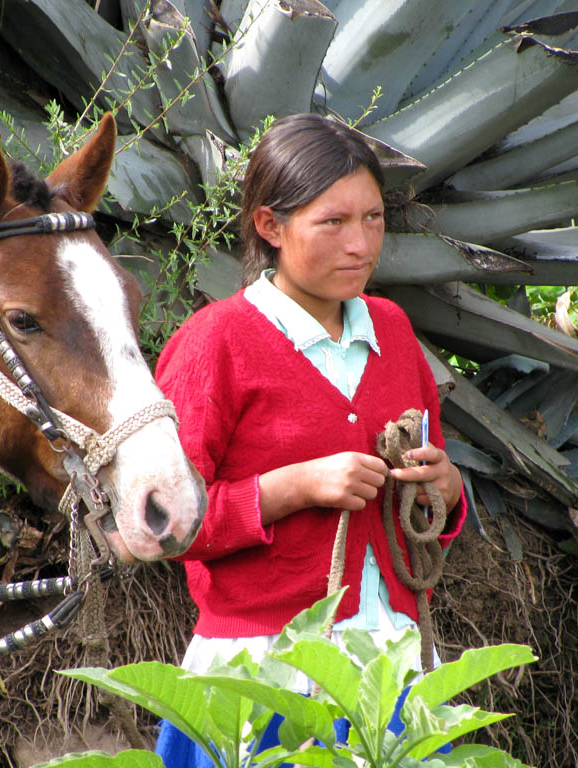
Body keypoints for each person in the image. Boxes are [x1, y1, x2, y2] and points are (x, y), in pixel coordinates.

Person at [153, 113, 467, 767]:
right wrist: (292, 488)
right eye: (333, 222)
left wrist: (445, 488)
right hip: (263, 673)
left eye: (374, 219)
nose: (361, 244)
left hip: (394, 665)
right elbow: (163, 523)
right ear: (271, 225)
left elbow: (430, 506)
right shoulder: (215, 344)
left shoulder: (393, 329)